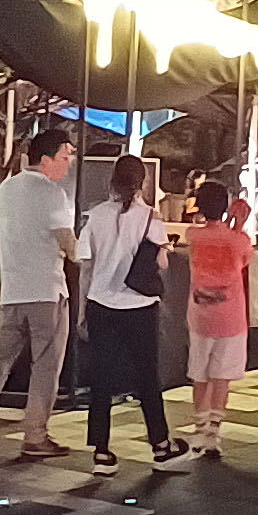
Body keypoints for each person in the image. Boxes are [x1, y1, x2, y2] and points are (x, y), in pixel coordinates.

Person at [0, 121, 79, 463]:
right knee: (46, 365)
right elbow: (68, 245)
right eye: (65, 156)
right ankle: (35, 436)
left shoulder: (6, 190)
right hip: (46, 292)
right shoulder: (53, 194)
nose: (69, 163)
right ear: (46, 159)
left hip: (12, 291)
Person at [76, 155, 180, 466]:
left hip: (100, 305)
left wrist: (82, 310)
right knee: (147, 376)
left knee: (101, 378)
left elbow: (86, 268)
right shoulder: (151, 218)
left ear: (112, 180)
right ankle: (160, 444)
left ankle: (101, 451)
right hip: (140, 306)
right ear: (142, 183)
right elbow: (161, 263)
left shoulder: (95, 216)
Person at [183, 174, 254, 454]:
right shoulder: (239, 240)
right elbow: (244, 259)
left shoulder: (193, 236)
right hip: (230, 317)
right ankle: (214, 432)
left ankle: (199, 430)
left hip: (200, 315)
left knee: (200, 374)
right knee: (221, 375)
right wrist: (237, 225)